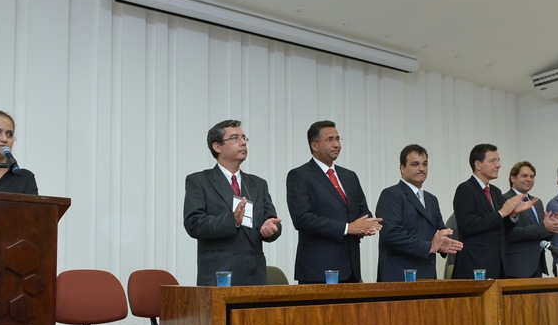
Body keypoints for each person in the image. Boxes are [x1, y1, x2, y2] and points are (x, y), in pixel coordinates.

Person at [183, 119, 282, 286]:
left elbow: (271, 220)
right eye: (235, 138)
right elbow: (194, 223)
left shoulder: (258, 184)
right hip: (220, 275)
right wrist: (232, 220)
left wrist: (271, 229)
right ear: (217, 146)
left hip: (254, 275)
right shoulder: (199, 181)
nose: (243, 142)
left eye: (244, 138)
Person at [286, 120, 382, 284]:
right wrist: (347, 228)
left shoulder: (349, 176)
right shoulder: (300, 175)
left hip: (351, 269)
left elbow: (362, 211)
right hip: (318, 269)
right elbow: (302, 218)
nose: (336, 144)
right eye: (329, 140)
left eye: (338, 139)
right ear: (314, 145)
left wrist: (366, 225)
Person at [375, 144, 462, 281]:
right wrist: (429, 246)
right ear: (402, 168)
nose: (422, 168)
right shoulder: (391, 194)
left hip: (427, 275)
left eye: (425, 164)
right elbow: (391, 234)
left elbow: (438, 231)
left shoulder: (431, 199)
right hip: (399, 276)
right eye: (415, 164)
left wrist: (443, 242)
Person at [451, 144, 536, 279]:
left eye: (498, 160)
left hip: (497, 265)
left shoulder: (495, 192)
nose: (498, 165)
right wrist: (501, 213)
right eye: (492, 161)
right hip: (474, 265)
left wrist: (513, 214)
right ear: (478, 165)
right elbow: (468, 225)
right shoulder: (465, 189)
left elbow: (502, 228)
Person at [502, 161, 558, 278]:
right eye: (524, 176)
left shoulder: (537, 202)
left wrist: (552, 227)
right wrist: (543, 227)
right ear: (513, 178)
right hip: (517, 266)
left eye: (532, 176)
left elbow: (540, 233)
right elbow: (509, 233)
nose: (529, 179)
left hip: (537, 265)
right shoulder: (505, 200)